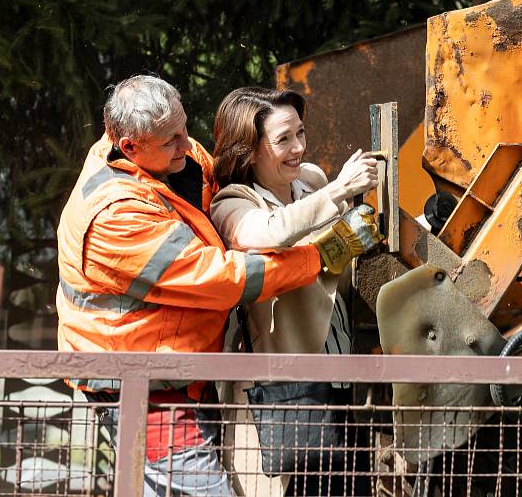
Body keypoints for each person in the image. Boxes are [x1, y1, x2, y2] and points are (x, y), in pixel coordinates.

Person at [56, 75, 381, 497]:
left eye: (184, 127)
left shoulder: (179, 159)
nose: (186, 144)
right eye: (170, 139)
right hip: (141, 385)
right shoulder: (116, 213)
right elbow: (222, 279)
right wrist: (321, 255)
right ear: (130, 145)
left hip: (184, 373)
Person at [209, 87, 378, 496]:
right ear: (249, 150)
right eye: (284, 139)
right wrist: (338, 191)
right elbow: (270, 232)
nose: (298, 148)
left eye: (301, 133)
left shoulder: (312, 180)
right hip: (289, 386)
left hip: (343, 366)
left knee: (352, 486)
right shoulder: (232, 202)